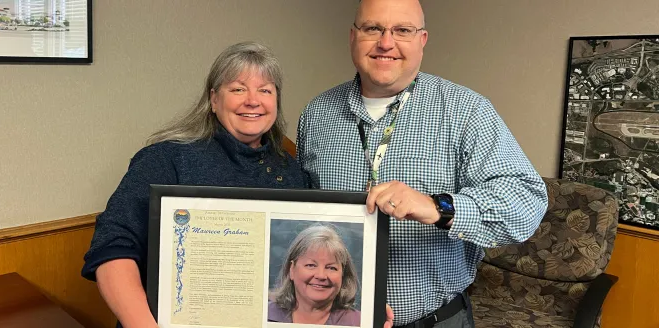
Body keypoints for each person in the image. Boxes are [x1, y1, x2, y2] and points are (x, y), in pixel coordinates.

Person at [295, 0, 549, 327]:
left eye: (402, 30)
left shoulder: (467, 111)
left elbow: (527, 201)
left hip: (435, 321)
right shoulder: (316, 114)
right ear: (353, 36)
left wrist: (436, 207)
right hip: (335, 319)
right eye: (373, 28)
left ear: (422, 41)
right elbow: (303, 214)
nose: (386, 43)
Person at [81, 41, 307, 328]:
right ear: (214, 100)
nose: (253, 100)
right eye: (238, 89)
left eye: (265, 90)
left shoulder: (291, 172)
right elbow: (112, 248)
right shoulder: (166, 159)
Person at [268, 224, 361, 326]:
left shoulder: (360, 322)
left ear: (343, 274)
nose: (321, 276)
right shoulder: (262, 314)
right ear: (292, 270)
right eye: (311, 265)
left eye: (331, 268)